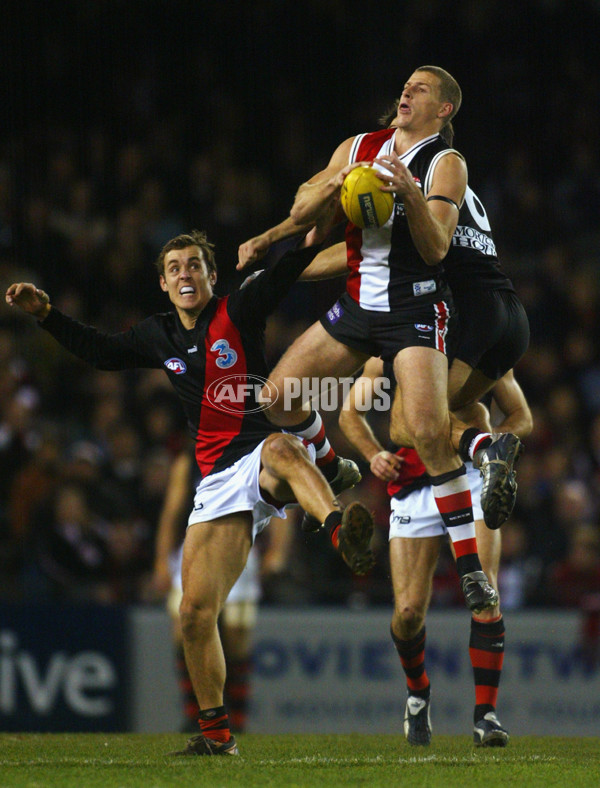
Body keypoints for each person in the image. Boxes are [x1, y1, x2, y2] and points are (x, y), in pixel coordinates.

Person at [5, 229, 376, 757]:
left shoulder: (239, 309)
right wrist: (46, 315)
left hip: (260, 450)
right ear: (163, 282)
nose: (185, 274)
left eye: (195, 265)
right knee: (195, 615)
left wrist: (301, 238)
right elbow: (102, 352)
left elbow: (283, 275)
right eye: (175, 267)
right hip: (217, 481)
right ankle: (217, 736)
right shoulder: (158, 335)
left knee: (281, 449)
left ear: (211, 276)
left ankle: (342, 534)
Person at [238, 66, 512, 609]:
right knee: (276, 398)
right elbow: (302, 212)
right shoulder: (360, 146)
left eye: (423, 89)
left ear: (444, 110)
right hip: (360, 306)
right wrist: (279, 229)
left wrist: (408, 193)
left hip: (415, 307)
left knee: (429, 436)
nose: (407, 91)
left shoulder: (445, 164)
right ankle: (331, 465)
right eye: (407, 84)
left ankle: (473, 573)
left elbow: (435, 249)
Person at [338, 357, 533, 746]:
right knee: (407, 613)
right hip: (414, 482)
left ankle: (486, 715)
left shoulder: (478, 348)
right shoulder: (390, 353)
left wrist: (493, 447)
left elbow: (521, 416)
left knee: (484, 590)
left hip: (471, 476)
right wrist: (374, 453)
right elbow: (349, 414)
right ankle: (417, 692)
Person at [153, 447, 293, 734]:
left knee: (235, 636)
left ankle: (237, 721)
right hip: (194, 549)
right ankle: (195, 716)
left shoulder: (255, 449)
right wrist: (161, 560)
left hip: (240, 548)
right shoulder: (188, 458)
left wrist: (277, 551)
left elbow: (285, 500)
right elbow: (172, 510)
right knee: (185, 630)